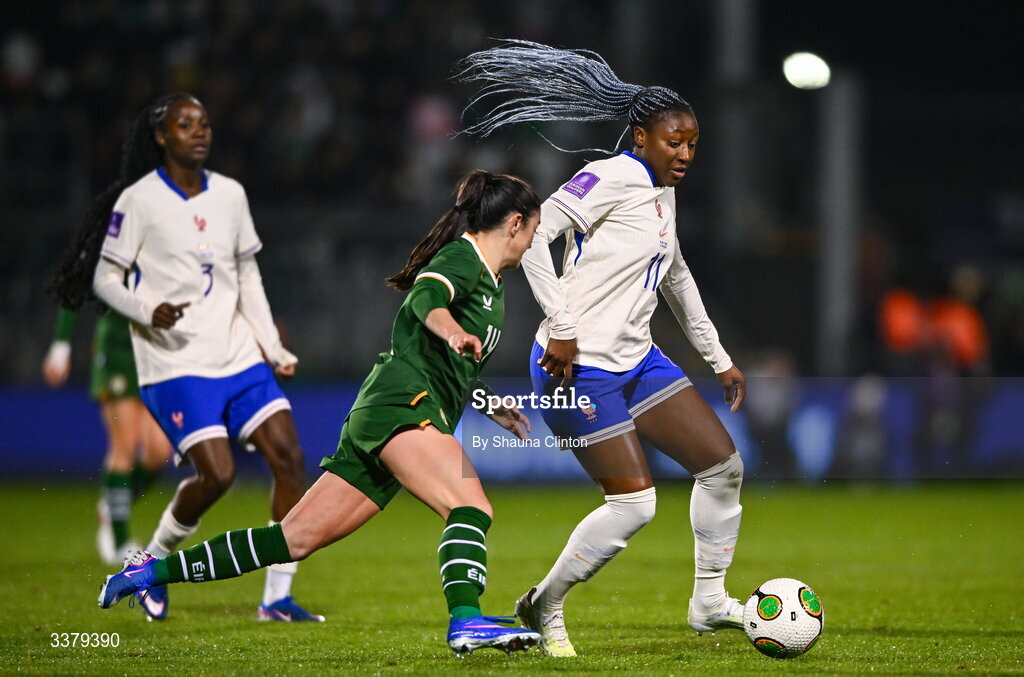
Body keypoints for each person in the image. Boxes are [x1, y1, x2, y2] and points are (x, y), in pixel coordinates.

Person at [99, 169, 545, 655]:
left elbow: (445, 363)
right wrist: (450, 330)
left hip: (388, 410)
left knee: (292, 540)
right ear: (515, 222)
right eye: (535, 231)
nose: (534, 243)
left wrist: (485, 401)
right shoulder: (464, 257)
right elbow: (425, 298)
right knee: (470, 506)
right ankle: (466, 620)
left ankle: (149, 571)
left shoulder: (493, 283)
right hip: (402, 405)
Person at [456, 40, 748, 656]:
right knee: (635, 504)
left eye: (693, 142)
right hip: (575, 366)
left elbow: (675, 274)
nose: (686, 154)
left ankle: (710, 601)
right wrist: (560, 322)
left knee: (723, 468)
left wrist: (717, 356)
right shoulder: (612, 176)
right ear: (640, 136)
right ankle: (543, 602)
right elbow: (532, 236)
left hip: (636, 359)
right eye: (675, 142)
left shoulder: (661, 190)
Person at [86, 92, 320, 622]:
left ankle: (276, 597)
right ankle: (150, 562)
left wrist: (271, 343)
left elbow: (246, 276)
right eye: (185, 124)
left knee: (289, 456)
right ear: (162, 136)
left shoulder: (231, 195)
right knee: (216, 475)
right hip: (175, 364)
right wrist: (147, 309)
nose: (199, 131)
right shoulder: (139, 200)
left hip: (237, 354)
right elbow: (104, 278)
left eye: (205, 124)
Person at [41, 307, 171, 564]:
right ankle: (120, 542)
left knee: (160, 450)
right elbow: (75, 282)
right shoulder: (109, 264)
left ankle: (111, 506)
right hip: (118, 346)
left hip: (154, 349)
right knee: (125, 443)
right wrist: (61, 344)